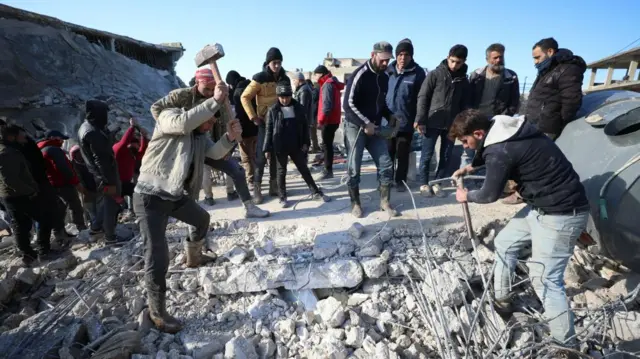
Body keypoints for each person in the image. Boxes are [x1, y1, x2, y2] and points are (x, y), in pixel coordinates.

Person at [450, 109, 589, 352]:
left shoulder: (500, 149)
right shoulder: (509, 130)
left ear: (479, 133)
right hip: (540, 207)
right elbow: (496, 153)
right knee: (505, 242)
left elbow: (489, 194)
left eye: (465, 141)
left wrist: (465, 195)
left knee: (545, 279)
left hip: (563, 215)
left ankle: (567, 348)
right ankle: (502, 300)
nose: (465, 146)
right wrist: (471, 167)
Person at [135, 82, 242, 333]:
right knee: (157, 254)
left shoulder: (198, 138)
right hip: (149, 198)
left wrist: (229, 137)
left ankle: (193, 257)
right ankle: (157, 310)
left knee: (202, 220)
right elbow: (184, 122)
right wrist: (214, 101)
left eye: (212, 121)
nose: (209, 125)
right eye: (208, 120)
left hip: (172, 196)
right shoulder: (168, 117)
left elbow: (214, 154)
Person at [151, 68, 269, 219]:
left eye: (212, 90)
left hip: (206, 142)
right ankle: (190, 217)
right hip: (183, 144)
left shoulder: (219, 98)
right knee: (188, 181)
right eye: (206, 89)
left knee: (237, 170)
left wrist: (226, 145)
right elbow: (156, 109)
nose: (209, 93)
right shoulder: (181, 96)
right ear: (197, 82)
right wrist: (172, 132)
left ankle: (249, 207)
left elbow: (228, 123)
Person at [342, 41, 400, 218]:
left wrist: (391, 116)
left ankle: (384, 201)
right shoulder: (359, 75)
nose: (385, 63)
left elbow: (380, 105)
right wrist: (364, 123)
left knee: (386, 164)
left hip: (374, 127)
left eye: (388, 60)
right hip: (355, 126)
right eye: (383, 59)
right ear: (373, 55)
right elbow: (348, 105)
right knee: (354, 167)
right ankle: (356, 203)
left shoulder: (384, 77)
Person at [415, 44, 470, 197]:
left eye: (458, 62)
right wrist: (420, 119)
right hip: (432, 122)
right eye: (452, 61)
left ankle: (438, 183)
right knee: (426, 154)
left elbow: (465, 104)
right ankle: (424, 184)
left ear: (464, 61)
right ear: (448, 57)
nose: (454, 65)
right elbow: (423, 97)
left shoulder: (464, 80)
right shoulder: (435, 74)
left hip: (451, 125)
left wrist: (462, 125)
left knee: (446, 155)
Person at [264, 83, 330, 208]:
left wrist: (306, 143)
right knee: (281, 171)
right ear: (278, 96)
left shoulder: (298, 108)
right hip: (280, 146)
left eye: (287, 97)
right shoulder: (273, 110)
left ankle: (315, 192)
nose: (285, 100)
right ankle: (282, 196)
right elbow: (269, 130)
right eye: (282, 97)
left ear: (291, 96)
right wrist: (267, 148)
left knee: (304, 169)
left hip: (296, 145)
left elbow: (305, 128)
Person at [241, 47, 291, 204]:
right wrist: (253, 117)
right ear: (268, 63)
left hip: (281, 122)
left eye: (279, 62)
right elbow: (245, 97)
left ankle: (274, 186)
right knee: (261, 157)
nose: (277, 65)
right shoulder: (259, 78)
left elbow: (289, 98)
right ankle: (257, 189)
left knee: (277, 154)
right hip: (264, 123)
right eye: (274, 63)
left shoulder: (285, 78)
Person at [0, 123, 55, 265]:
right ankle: (42, 251)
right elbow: (11, 180)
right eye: (20, 134)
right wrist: (31, 190)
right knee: (44, 218)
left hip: (11, 195)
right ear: (12, 137)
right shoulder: (7, 153)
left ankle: (29, 255)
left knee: (21, 225)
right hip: (19, 195)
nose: (24, 137)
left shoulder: (9, 150)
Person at [78, 100, 123, 244]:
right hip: (105, 174)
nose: (106, 117)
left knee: (107, 201)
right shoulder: (92, 132)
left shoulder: (87, 128)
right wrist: (108, 180)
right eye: (104, 113)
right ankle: (110, 237)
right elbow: (101, 158)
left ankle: (96, 227)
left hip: (99, 173)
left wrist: (110, 134)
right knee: (111, 204)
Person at [386, 39, 426, 191]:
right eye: (400, 54)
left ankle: (400, 181)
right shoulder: (388, 70)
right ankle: (386, 180)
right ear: (396, 56)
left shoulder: (418, 72)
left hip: (406, 121)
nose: (403, 58)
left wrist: (419, 119)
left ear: (411, 56)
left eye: (407, 55)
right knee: (388, 153)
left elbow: (421, 98)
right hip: (388, 121)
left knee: (402, 153)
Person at [526, 37, 586, 140]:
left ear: (550, 52)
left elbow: (571, 101)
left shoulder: (568, 69)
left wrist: (557, 122)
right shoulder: (547, 70)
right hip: (535, 124)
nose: (535, 62)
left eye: (537, 57)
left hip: (547, 129)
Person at [37, 130, 87, 231]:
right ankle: (80, 227)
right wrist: (75, 182)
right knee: (75, 206)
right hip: (63, 183)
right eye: (61, 139)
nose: (63, 142)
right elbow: (64, 168)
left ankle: (59, 231)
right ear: (53, 138)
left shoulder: (41, 149)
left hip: (50, 185)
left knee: (59, 209)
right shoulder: (54, 150)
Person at [313, 65, 345, 180]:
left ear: (321, 74)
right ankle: (328, 168)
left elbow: (326, 106)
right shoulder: (333, 83)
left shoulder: (327, 85)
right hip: (334, 119)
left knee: (326, 146)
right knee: (328, 145)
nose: (315, 77)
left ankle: (327, 170)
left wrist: (321, 121)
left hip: (328, 120)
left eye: (315, 74)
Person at [113, 118, 148, 217]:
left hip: (126, 182)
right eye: (136, 144)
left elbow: (141, 152)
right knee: (114, 206)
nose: (138, 147)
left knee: (137, 194)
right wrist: (132, 127)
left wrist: (143, 137)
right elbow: (124, 142)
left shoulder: (132, 154)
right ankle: (110, 224)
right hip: (116, 183)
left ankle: (136, 214)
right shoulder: (119, 150)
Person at [234, 76, 259, 190]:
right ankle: (258, 178)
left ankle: (251, 181)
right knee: (254, 156)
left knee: (246, 158)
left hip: (244, 132)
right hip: (256, 129)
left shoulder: (237, 93)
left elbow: (238, 114)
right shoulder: (253, 90)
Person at [69, 145, 98, 226]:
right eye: (77, 154)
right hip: (85, 191)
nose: (80, 155)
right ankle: (94, 225)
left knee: (98, 209)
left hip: (96, 189)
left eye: (81, 153)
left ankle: (97, 225)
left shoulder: (90, 162)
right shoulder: (73, 166)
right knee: (91, 210)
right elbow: (77, 179)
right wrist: (84, 190)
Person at [292, 72, 319, 153]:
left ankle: (302, 158)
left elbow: (302, 107)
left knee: (303, 140)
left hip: (303, 120)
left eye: (294, 80)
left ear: (298, 80)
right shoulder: (303, 88)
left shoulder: (304, 90)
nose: (293, 83)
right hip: (304, 119)